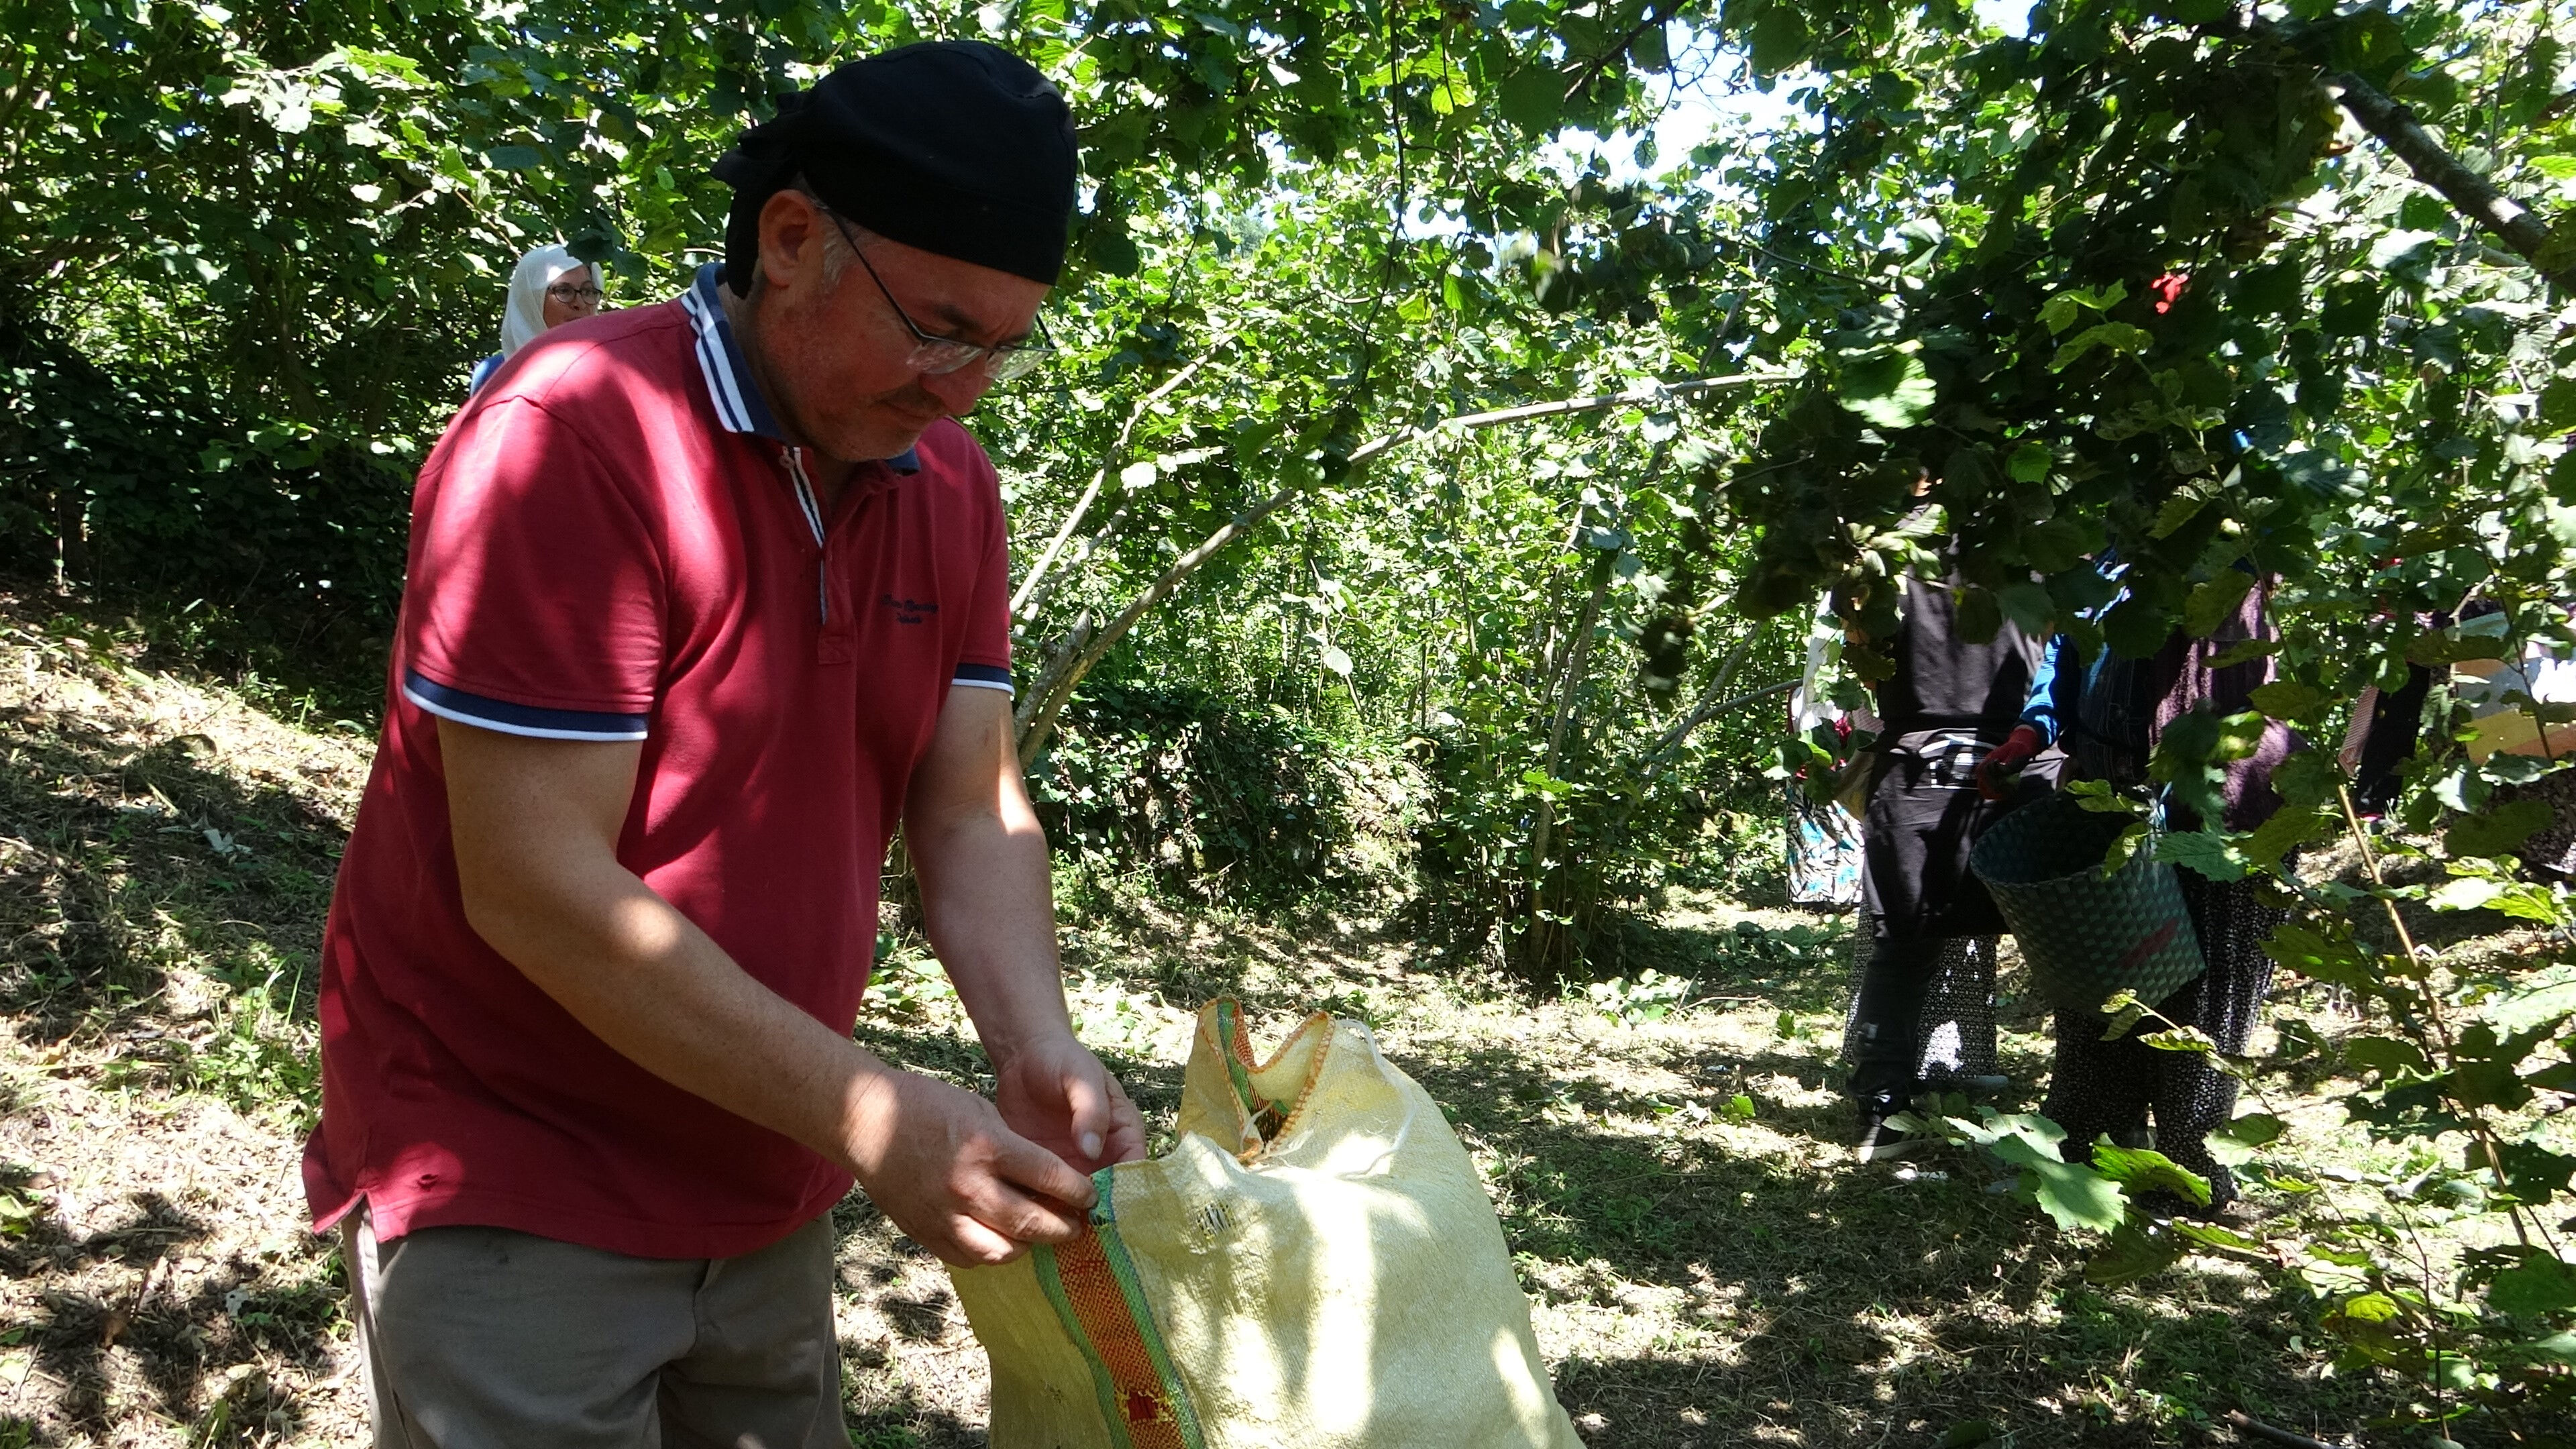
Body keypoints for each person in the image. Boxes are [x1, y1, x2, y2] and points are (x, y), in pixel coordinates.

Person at [303, 42, 1143, 1447]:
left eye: (1004, 346)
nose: (962, 388)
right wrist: (875, 1114)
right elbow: (534, 884)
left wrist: (1031, 1039)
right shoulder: (574, 432)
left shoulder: (950, 485)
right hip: (513, 1173)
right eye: (938, 328)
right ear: (792, 238)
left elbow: (969, 804)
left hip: (767, 1168)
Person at [2041, 576, 2298, 1214]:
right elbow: (2065, 655)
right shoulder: (2100, 561)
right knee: (2103, 987)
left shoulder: (2227, 552)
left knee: (2205, 1000)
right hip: (2110, 799)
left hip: (2223, 807)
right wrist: (2035, 729)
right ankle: (2093, 1150)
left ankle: (2191, 1172)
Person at [1844, 560, 2065, 1161]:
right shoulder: (2035, 547)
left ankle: (1883, 1111)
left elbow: (1859, 649)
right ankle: (2089, 1112)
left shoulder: (1883, 556)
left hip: (1950, 765)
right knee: (2064, 944)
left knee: (1905, 947)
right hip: (2004, 764)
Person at [467, 243, 604, 394]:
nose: (580, 303)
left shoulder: (610, 370)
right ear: (530, 300)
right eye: (564, 291)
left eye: (588, 291)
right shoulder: (493, 374)